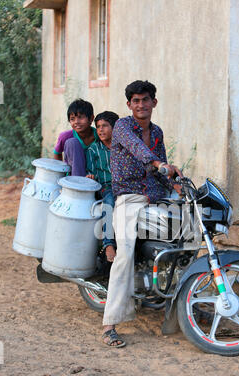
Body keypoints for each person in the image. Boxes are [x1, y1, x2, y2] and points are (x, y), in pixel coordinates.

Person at [102, 80, 182, 348]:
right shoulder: (123, 127)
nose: (141, 105)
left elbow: (161, 167)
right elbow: (142, 152)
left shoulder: (157, 131)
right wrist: (160, 164)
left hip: (156, 197)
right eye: (135, 101)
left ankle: (180, 307)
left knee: (184, 239)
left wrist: (176, 183)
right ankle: (109, 324)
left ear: (153, 103)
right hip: (130, 197)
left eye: (145, 100)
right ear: (129, 105)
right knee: (124, 255)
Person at [86, 111, 119, 262]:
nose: (100, 130)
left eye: (105, 126)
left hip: (125, 186)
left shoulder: (122, 147)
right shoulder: (94, 150)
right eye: (98, 126)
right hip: (106, 187)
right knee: (110, 201)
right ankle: (108, 244)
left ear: (115, 127)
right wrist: (90, 176)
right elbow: (90, 172)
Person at [53, 99, 98, 176]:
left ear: (91, 118)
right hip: (74, 176)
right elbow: (57, 153)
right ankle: (78, 183)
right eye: (72, 119)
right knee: (72, 143)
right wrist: (60, 174)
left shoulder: (99, 135)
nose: (76, 122)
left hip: (94, 175)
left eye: (80, 117)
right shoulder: (65, 136)